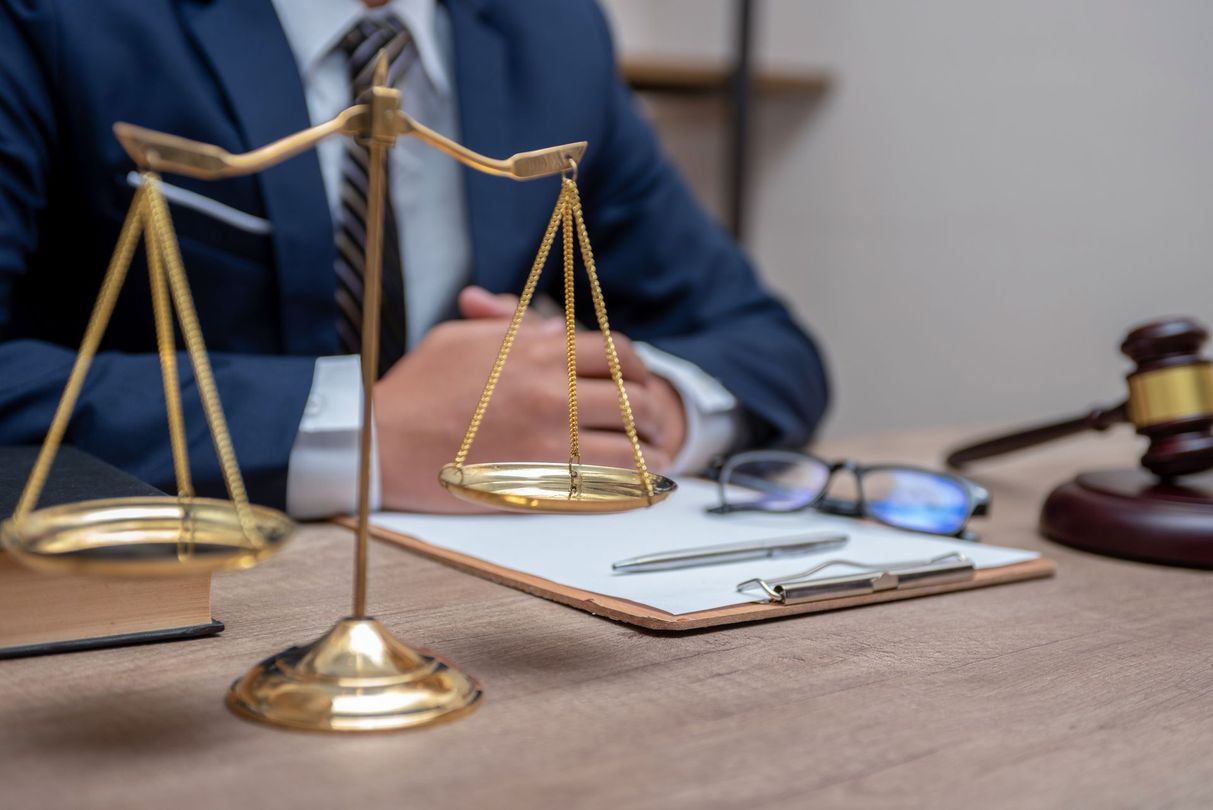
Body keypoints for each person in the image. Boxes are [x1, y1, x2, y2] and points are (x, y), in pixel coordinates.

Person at [0, 0, 828, 515]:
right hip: (168, 601)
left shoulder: (553, 33)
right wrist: (365, 429)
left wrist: (649, 410)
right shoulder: (59, 19)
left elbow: (764, 343)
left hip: (480, 592)